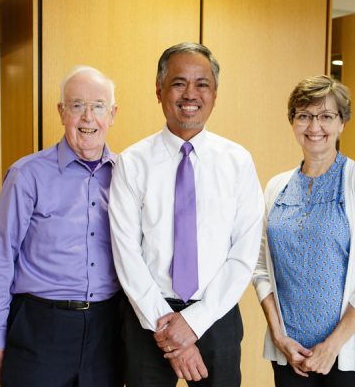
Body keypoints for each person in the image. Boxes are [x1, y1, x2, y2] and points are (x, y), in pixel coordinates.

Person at [109, 42, 264, 386]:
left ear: (215, 93)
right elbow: (126, 254)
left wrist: (193, 322)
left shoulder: (238, 162)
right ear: (159, 90)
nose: (190, 94)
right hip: (147, 318)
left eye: (202, 84)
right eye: (178, 83)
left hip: (216, 315)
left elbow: (243, 253)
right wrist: (167, 328)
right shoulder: (132, 163)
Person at [0, 65, 123, 387]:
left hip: (106, 330)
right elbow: (0, 259)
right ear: (61, 112)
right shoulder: (26, 175)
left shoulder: (126, 176)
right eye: (77, 106)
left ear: (112, 114)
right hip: (40, 329)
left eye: (98, 106)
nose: (88, 117)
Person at [252, 75, 355, 386]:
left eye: (326, 116)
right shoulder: (276, 187)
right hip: (292, 353)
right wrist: (279, 336)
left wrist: (332, 346)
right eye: (304, 116)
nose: (314, 127)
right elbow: (261, 268)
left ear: (341, 123)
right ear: (292, 122)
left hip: (351, 353)